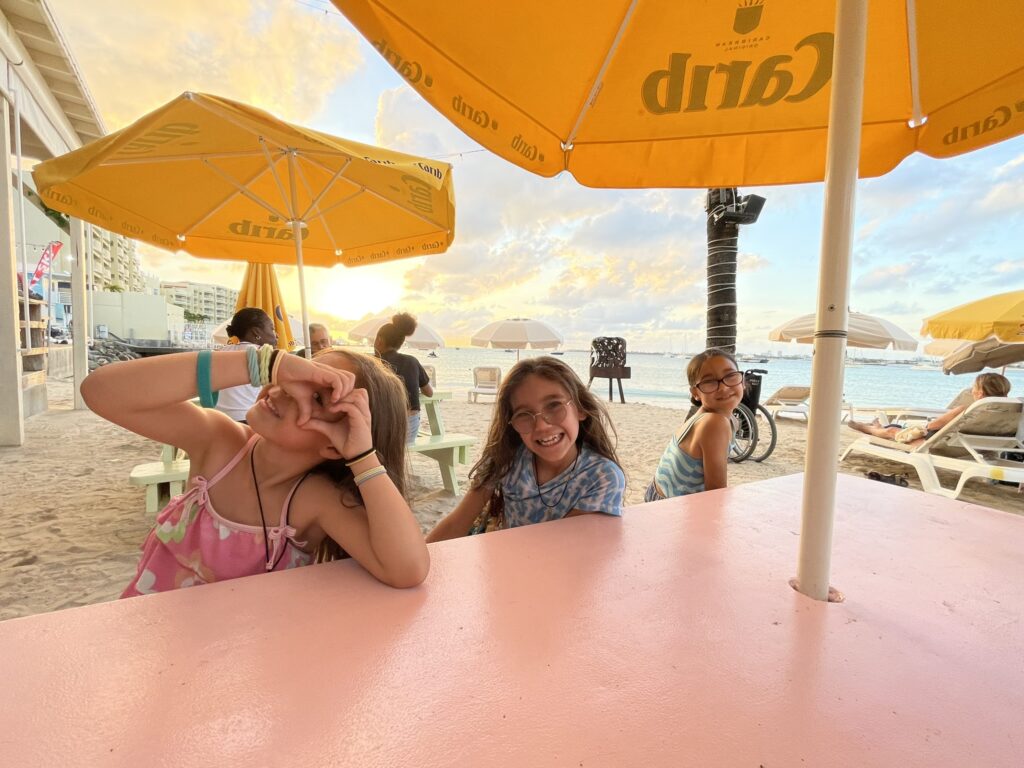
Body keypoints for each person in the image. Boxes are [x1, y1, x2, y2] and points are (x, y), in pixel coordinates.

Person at [80, 345, 429, 596]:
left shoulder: (313, 500)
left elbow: (407, 569)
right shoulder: (219, 442)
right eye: (298, 374)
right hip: (152, 632)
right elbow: (101, 391)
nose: (284, 389)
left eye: (318, 397)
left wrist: (363, 456)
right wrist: (266, 362)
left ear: (336, 442)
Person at [427, 356, 625, 541]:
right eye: (524, 414)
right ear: (511, 423)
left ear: (580, 408)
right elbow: (458, 522)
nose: (541, 426)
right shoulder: (505, 458)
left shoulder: (602, 477)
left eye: (554, 405)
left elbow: (565, 548)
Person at [644, 348, 744, 502]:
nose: (723, 387)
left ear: (742, 380)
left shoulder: (717, 418)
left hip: (658, 493)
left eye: (730, 376)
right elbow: (716, 495)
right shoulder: (714, 423)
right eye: (709, 382)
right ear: (695, 392)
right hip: (669, 507)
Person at [847, 372, 1012, 442]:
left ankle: (866, 428)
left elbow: (933, 426)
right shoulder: (1009, 411)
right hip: (974, 445)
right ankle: (878, 426)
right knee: (895, 426)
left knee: (893, 431)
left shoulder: (968, 409)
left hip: (942, 442)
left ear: (980, 393)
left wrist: (928, 426)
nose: (972, 390)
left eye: (974, 387)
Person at [373, 313, 433, 443]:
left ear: (380, 340)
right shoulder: (412, 361)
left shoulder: (372, 363)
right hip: (411, 427)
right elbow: (429, 392)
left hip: (387, 425)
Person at [215, 308, 278, 423]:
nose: (276, 334)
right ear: (256, 332)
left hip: (219, 419)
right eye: (272, 328)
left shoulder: (220, 352)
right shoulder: (263, 355)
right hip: (247, 418)